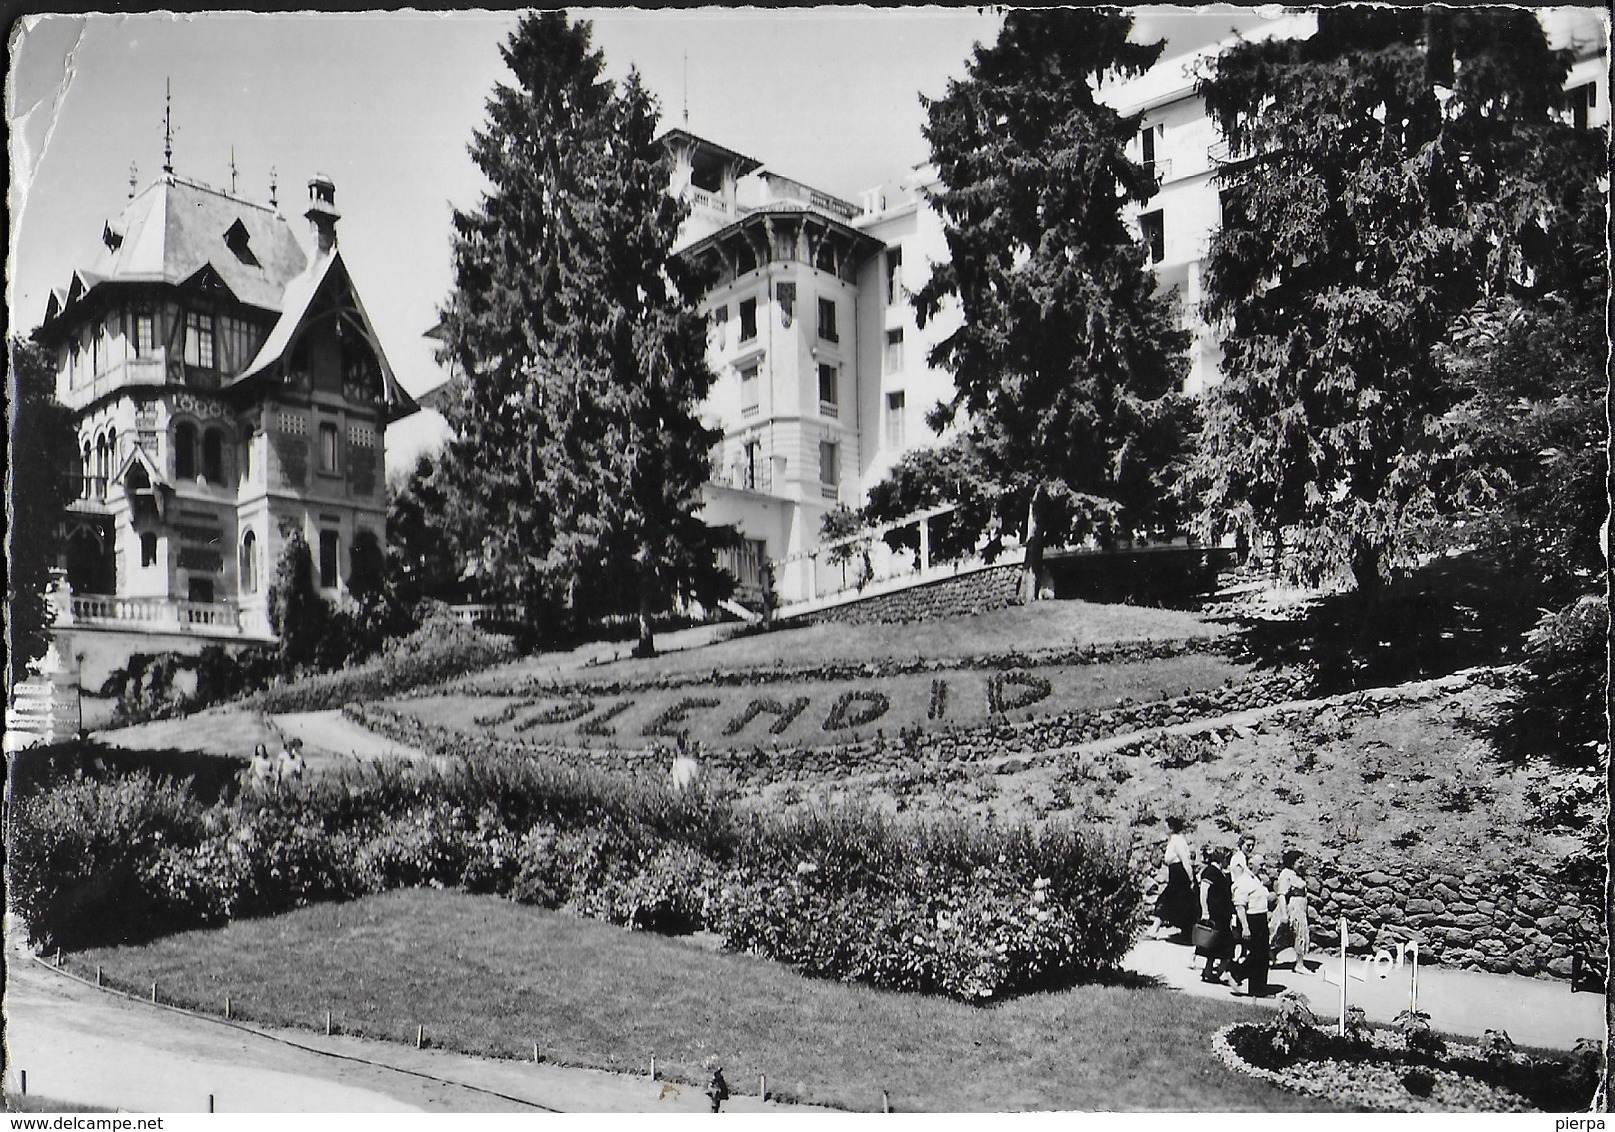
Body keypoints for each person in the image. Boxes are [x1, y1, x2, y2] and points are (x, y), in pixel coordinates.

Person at [1146, 816, 1198, 941]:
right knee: (1178, 902)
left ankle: (1155, 929)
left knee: (1168, 900)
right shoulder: (1174, 840)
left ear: (1172, 827)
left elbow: (1185, 860)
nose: (1164, 828)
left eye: (1166, 826)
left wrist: (1191, 878)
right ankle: (1186, 931)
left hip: (1180, 876)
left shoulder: (1178, 841)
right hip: (1175, 874)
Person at [1229, 857, 1273, 997]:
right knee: (1256, 954)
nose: (1263, 867)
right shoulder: (1242, 882)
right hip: (1251, 919)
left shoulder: (1255, 879)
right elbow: (1240, 906)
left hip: (1261, 918)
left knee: (1263, 955)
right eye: (1261, 865)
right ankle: (1237, 973)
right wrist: (1245, 927)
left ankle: (1259, 988)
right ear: (1250, 865)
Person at [1195, 846, 1236, 983]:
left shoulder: (1220, 872)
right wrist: (1205, 911)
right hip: (1214, 913)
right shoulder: (1211, 872)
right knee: (1220, 943)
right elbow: (1204, 892)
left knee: (1217, 944)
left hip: (1222, 914)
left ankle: (1209, 970)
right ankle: (1218, 970)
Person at [1271, 849, 1311, 970]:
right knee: (1295, 934)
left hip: (1300, 908)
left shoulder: (1298, 874)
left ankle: (1297, 962)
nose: (1302, 864)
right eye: (1299, 862)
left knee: (1297, 934)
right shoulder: (1286, 874)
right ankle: (1299, 965)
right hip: (1292, 908)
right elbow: (1281, 894)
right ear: (1292, 863)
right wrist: (1284, 914)